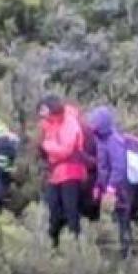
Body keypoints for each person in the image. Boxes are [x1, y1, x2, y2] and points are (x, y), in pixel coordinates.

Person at [88, 106, 138, 257]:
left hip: (120, 188)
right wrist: (99, 186)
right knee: (113, 219)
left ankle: (125, 253)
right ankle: (117, 251)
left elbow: (119, 167)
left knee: (122, 217)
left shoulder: (113, 141)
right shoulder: (101, 140)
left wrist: (111, 187)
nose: (92, 125)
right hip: (110, 188)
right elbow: (102, 167)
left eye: (95, 122)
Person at [38, 94, 90, 247]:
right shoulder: (49, 124)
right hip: (56, 174)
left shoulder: (70, 122)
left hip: (71, 173)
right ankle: (54, 246)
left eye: (43, 109)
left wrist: (47, 145)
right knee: (52, 209)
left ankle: (76, 247)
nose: (41, 113)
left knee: (70, 211)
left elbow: (65, 150)